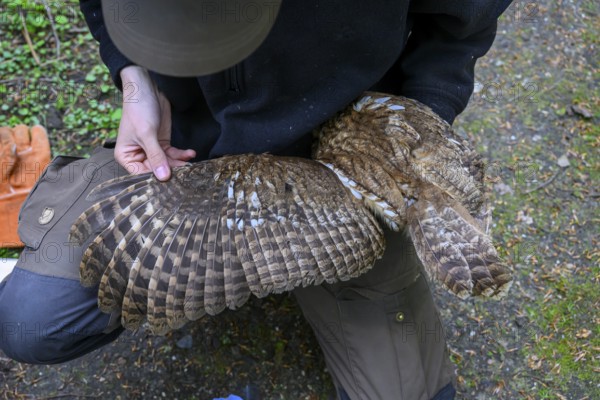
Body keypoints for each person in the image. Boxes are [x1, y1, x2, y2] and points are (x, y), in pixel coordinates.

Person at [0, 0, 512, 398]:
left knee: (413, 393)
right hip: (190, 147)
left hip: (352, 152)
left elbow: (461, 22)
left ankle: (295, 263)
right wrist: (135, 76)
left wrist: (419, 120)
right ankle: (235, 265)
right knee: (36, 319)